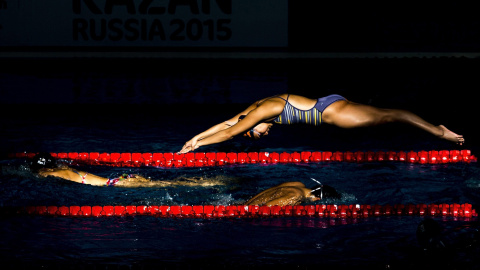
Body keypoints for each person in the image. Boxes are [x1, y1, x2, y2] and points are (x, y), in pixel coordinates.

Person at [179, 94, 464, 153]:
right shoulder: (254, 109)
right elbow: (227, 123)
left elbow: (230, 132)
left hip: (332, 113)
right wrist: (196, 137)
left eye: (256, 135)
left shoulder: (261, 111)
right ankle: (436, 129)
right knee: (386, 115)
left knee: (392, 115)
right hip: (330, 107)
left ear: (251, 124)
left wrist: (198, 146)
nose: (262, 135)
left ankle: (439, 132)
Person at [30, 153, 149, 187]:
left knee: (161, 184)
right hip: (117, 180)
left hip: (117, 183)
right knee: (161, 183)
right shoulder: (65, 169)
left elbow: (41, 174)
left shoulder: (52, 173)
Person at [244, 181, 341, 207]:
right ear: (317, 199)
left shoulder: (298, 184)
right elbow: (265, 207)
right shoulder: (296, 197)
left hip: (244, 202)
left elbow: (267, 192)